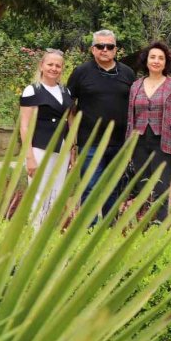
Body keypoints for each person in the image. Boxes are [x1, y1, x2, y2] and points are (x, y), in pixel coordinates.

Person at [67, 29, 136, 215]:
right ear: (93, 49)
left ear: (116, 49)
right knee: (89, 188)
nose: (105, 50)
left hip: (120, 144)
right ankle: (88, 227)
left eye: (109, 46)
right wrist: (72, 139)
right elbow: (68, 107)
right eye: (100, 46)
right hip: (90, 143)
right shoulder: (80, 72)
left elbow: (135, 107)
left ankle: (109, 226)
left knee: (113, 188)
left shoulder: (128, 73)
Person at [126, 41, 171, 222]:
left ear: (166, 62)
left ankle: (159, 225)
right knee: (141, 186)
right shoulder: (136, 86)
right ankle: (141, 225)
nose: (156, 61)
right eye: (152, 57)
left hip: (163, 142)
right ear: (146, 60)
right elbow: (130, 117)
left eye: (161, 58)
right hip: (139, 142)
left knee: (161, 186)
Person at [19, 49, 74, 228]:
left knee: (56, 193)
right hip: (39, 148)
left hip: (62, 149)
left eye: (58, 65)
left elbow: (70, 122)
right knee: (38, 192)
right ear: (41, 65)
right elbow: (24, 125)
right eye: (50, 64)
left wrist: (73, 149)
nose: (54, 68)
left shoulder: (65, 91)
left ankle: (50, 232)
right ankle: (36, 233)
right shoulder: (32, 90)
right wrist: (29, 157)